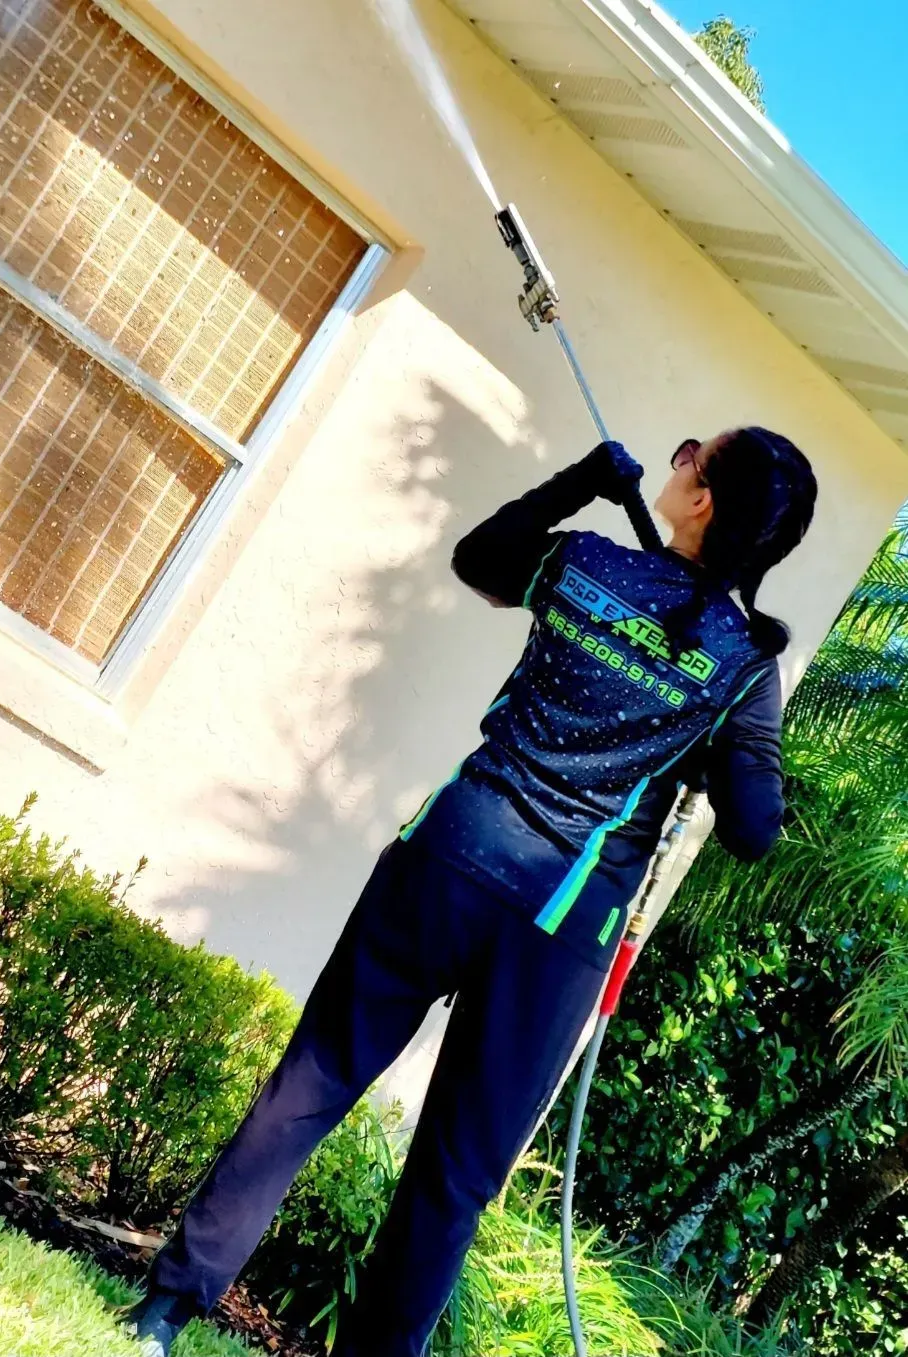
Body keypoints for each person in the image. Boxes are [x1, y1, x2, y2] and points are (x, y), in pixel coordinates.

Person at [125, 429, 818, 1357]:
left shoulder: (587, 563)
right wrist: (706, 743)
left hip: (445, 859)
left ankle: (162, 1314)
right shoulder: (741, 668)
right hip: (556, 927)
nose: (677, 457)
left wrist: (580, 481)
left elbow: (481, 559)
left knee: (314, 1080)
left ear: (702, 504)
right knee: (453, 1178)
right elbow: (753, 827)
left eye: (694, 455)